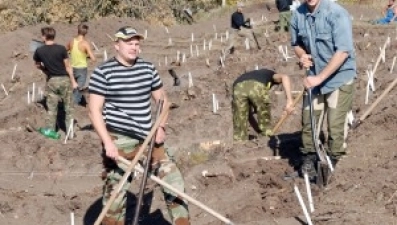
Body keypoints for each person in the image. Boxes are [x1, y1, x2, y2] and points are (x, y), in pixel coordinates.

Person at [88, 26, 190, 225]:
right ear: (116, 45)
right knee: (115, 195)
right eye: (129, 43)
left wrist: (160, 127)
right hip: (119, 139)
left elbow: (163, 101)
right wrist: (108, 142)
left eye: (136, 44)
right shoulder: (103, 72)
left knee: (174, 182)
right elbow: (94, 111)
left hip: (148, 137)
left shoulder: (147, 69)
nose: (134, 47)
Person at [290, 0, 356, 178]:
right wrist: (303, 56)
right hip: (314, 78)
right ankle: (309, 159)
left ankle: (335, 162)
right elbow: (296, 44)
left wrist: (320, 78)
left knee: (335, 124)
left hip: (339, 78)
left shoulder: (336, 13)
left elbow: (343, 51)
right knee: (309, 119)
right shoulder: (298, 15)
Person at [33, 26, 77, 137]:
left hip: (52, 80)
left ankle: (51, 132)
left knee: (51, 108)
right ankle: (70, 133)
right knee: (69, 108)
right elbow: (68, 66)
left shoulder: (39, 51)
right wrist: (73, 80)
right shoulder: (62, 49)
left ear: (44, 36)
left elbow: (37, 65)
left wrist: (45, 70)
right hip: (65, 80)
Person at [232, 68, 294, 141]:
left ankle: (239, 141)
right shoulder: (271, 74)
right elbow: (285, 77)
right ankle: (267, 137)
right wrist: (290, 100)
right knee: (263, 112)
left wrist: (258, 131)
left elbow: (249, 115)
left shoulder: (253, 75)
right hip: (256, 85)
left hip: (237, 87)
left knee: (240, 118)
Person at [66, 23, 96, 105]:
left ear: (78, 30)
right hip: (82, 69)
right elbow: (93, 58)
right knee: (79, 88)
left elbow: (65, 50)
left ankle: (69, 102)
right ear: (86, 33)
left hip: (72, 67)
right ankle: (73, 104)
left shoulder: (71, 41)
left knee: (73, 86)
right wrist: (87, 56)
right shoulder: (85, 43)